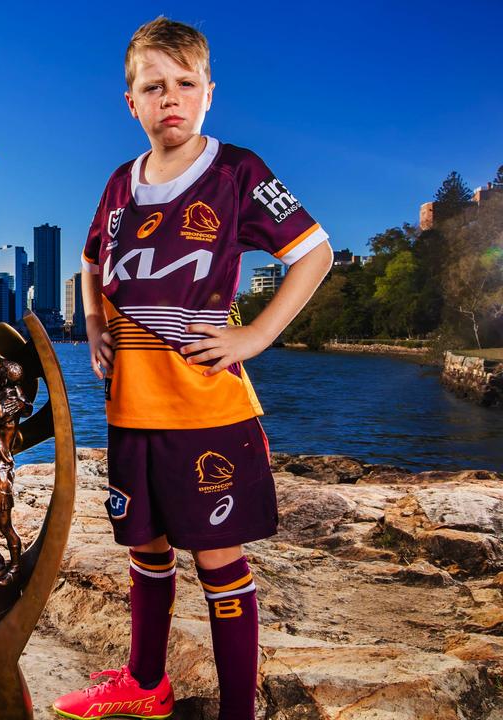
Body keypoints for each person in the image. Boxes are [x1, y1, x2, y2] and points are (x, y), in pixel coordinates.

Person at [52, 17, 332, 720]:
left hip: (207, 409)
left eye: (184, 84)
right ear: (132, 103)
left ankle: (238, 710)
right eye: (154, 86)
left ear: (209, 93)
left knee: (217, 561)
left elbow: (315, 251)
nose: (169, 97)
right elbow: (90, 264)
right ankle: (146, 684)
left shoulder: (237, 172)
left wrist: (257, 334)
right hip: (130, 408)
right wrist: (92, 325)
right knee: (144, 548)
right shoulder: (121, 183)